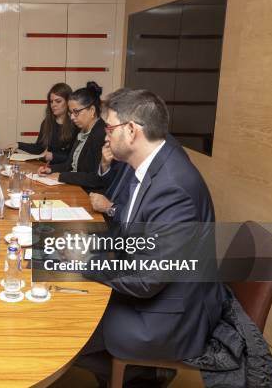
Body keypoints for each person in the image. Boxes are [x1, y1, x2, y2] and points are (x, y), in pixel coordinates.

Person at [75, 88, 225, 386]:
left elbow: (146, 280)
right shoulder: (153, 159)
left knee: (65, 325)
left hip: (168, 316)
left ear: (131, 131)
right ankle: (135, 373)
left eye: (109, 128)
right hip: (157, 290)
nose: (105, 136)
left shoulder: (173, 188)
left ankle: (141, 373)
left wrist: (76, 264)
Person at [37, 81, 106, 191]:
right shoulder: (83, 131)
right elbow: (70, 164)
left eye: (76, 112)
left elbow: (95, 178)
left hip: (87, 193)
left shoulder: (101, 134)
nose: (72, 117)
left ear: (92, 110)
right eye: (71, 113)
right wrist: (50, 169)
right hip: (75, 186)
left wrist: (61, 176)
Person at [17, 82, 77, 164]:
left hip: (66, 171)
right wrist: (18, 145)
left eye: (58, 101)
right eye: (51, 102)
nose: (53, 105)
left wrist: (54, 156)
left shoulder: (76, 123)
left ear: (68, 102)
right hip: (48, 168)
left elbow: (75, 157)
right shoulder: (47, 122)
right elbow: (39, 148)